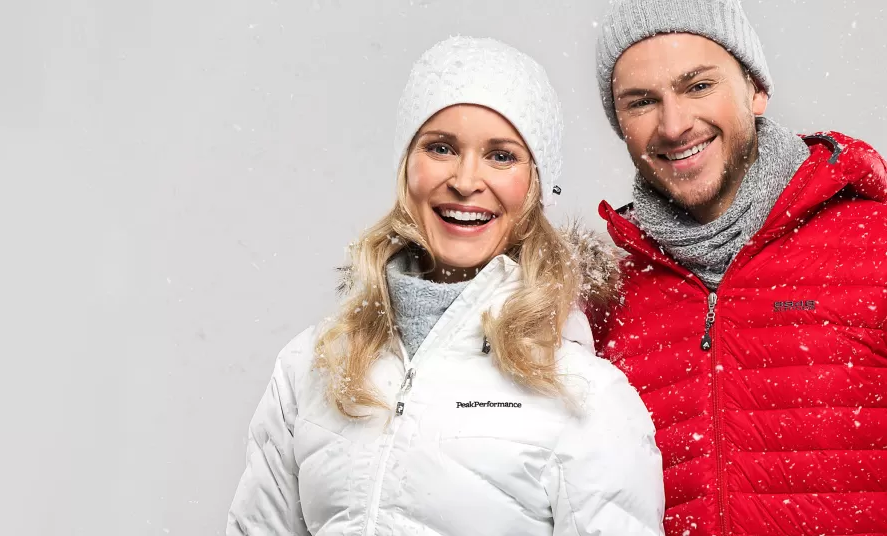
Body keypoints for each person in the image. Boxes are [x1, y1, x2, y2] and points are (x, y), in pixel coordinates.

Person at [226, 36, 664, 535]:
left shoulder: (583, 394)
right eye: (440, 148)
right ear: (407, 166)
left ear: (536, 185)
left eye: (501, 156)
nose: (465, 180)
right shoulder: (312, 365)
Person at [589, 1, 887, 535]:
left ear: (755, 89)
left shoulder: (875, 246)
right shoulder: (602, 298)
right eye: (642, 102)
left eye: (698, 86)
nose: (674, 125)